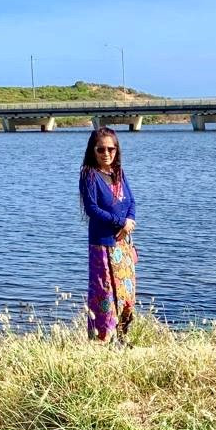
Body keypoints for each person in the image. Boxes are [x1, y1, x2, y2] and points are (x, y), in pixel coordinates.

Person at [79, 127, 138, 342]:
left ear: (117, 150)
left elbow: (131, 200)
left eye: (111, 149)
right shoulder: (89, 175)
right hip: (102, 245)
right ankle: (102, 339)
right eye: (101, 149)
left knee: (125, 291)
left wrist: (129, 221)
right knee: (104, 293)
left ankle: (123, 336)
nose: (106, 154)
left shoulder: (118, 173)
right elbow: (92, 209)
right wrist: (120, 222)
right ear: (92, 150)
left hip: (123, 244)